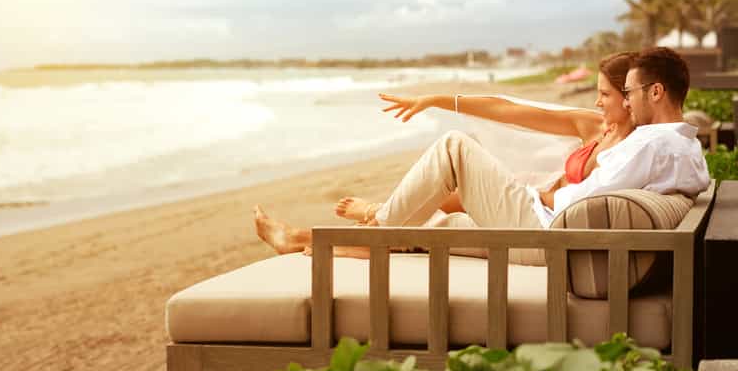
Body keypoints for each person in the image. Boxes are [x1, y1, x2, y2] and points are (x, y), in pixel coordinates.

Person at [254, 47, 710, 260]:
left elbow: (578, 202)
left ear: (653, 91)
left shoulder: (651, 142)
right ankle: (301, 240)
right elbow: (511, 110)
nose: (617, 102)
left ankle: (378, 216)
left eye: (620, 94)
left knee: (454, 147)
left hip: (545, 231)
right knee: (434, 226)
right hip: (547, 225)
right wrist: (437, 99)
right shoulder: (678, 147)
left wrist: (548, 195)